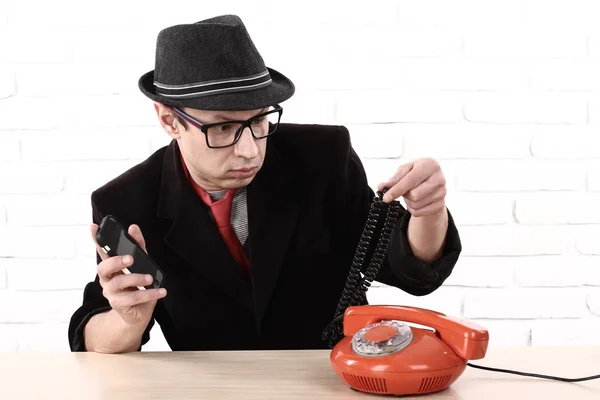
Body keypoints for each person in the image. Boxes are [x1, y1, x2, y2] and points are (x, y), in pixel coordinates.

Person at [68, 14, 462, 354]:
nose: (249, 151)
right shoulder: (125, 199)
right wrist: (127, 321)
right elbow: (90, 336)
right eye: (222, 127)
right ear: (170, 121)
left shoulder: (323, 156)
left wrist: (428, 213)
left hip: (335, 379)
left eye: (259, 121)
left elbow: (409, 271)